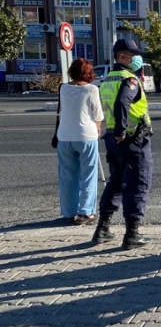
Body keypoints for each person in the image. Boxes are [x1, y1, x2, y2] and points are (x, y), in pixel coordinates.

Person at [93, 39, 154, 250]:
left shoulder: (108, 78)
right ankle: (132, 235)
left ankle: (102, 229)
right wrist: (122, 130)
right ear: (122, 56)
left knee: (116, 183)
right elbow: (122, 103)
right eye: (132, 54)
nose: (136, 58)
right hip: (131, 138)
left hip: (112, 140)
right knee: (138, 184)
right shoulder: (129, 80)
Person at [56, 58, 104, 225]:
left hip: (64, 136)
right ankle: (85, 212)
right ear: (88, 73)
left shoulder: (63, 88)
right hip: (86, 136)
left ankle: (69, 212)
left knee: (67, 176)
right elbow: (98, 115)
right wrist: (98, 128)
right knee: (88, 175)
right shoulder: (91, 89)